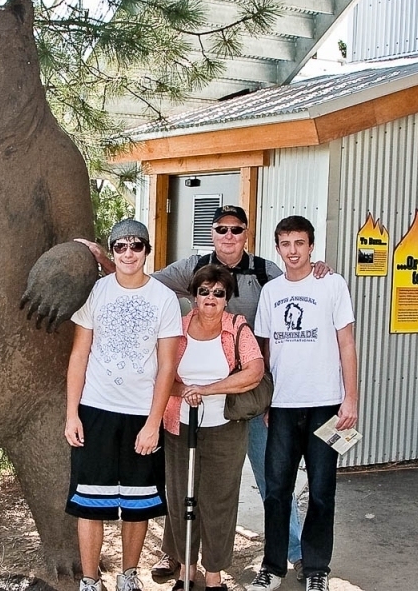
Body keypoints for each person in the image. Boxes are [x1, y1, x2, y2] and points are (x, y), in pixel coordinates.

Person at [78, 205, 329, 581]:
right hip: (186, 408)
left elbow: (296, 281)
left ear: (246, 234)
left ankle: (292, 551)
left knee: (271, 481)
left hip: (247, 399)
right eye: (222, 229)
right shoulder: (190, 268)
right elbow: (141, 278)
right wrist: (107, 258)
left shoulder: (266, 271)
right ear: (213, 233)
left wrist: (318, 270)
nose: (229, 236)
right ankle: (177, 559)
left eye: (237, 230)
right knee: (180, 486)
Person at [65, 219, 183, 591]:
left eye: (137, 246)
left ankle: (128, 576)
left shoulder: (163, 298)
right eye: (120, 246)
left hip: (140, 415)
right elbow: (79, 354)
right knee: (89, 500)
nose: (129, 253)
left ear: (147, 251)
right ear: (112, 252)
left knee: (137, 501)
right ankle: (89, 579)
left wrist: (154, 422)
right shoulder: (96, 293)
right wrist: (72, 414)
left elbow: (167, 365)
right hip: (95, 410)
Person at [248, 216, 358, 591]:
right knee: (277, 490)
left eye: (299, 243)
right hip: (281, 406)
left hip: (326, 405)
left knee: (322, 491)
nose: (292, 250)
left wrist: (351, 399)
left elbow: (347, 344)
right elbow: (263, 350)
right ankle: (273, 566)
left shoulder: (332, 284)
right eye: (285, 243)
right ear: (277, 248)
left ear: (311, 246)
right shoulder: (272, 292)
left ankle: (315, 569)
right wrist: (264, 399)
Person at [161, 264, 264, 591]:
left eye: (218, 292)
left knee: (218, 500)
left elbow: (254, 372)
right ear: (193, 295)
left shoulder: (237, 329)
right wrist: (184, 391)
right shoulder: (175, 329)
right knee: (181, 498)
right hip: (179, 424)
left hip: (225, 428)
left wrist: (208, 389)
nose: (210, 297)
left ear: (227, 298)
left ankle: (215, 574)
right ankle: (186, 571)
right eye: (204, 291)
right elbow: (161, 374)